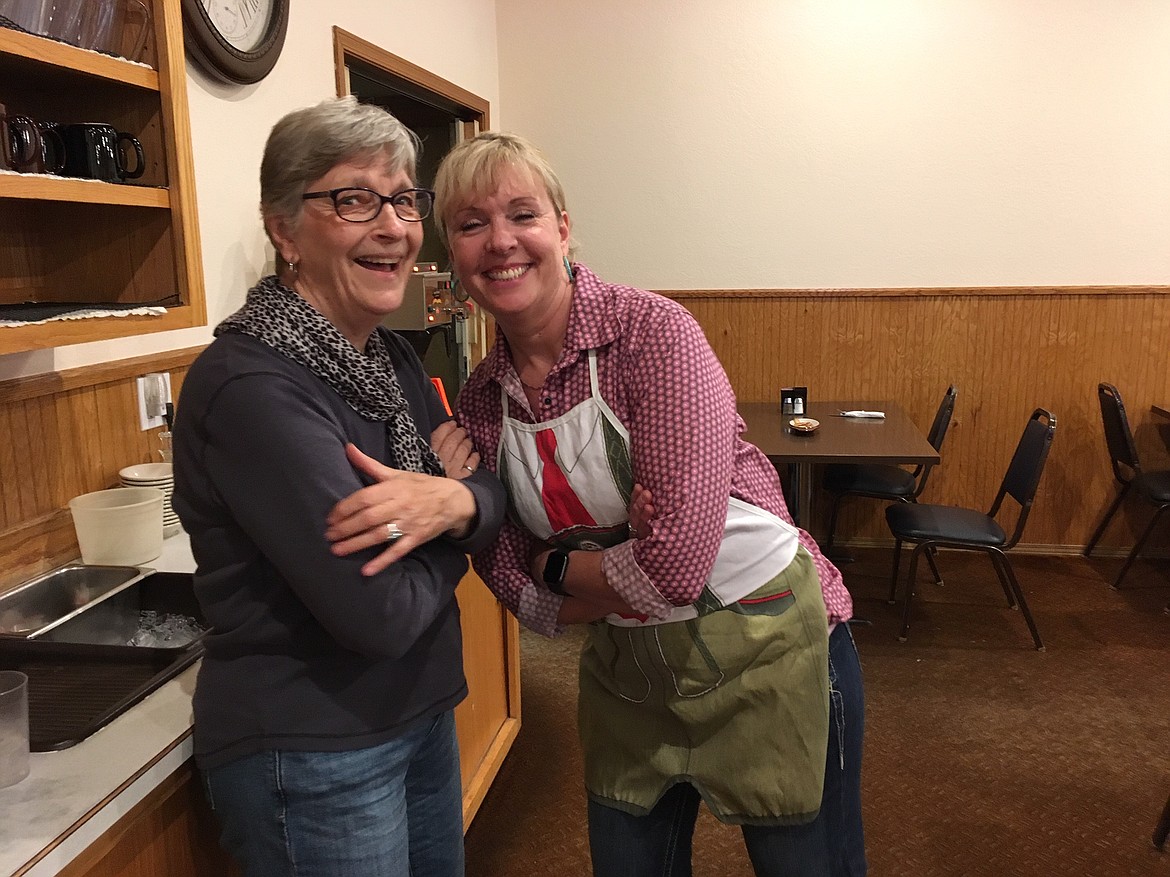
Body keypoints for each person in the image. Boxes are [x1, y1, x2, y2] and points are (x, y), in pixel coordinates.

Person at [328, 131, 866, 876]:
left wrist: (561, 566)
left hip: (770, 647)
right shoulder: (483, 397)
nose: (501, 241)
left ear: (563, 228)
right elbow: (510, 582)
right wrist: (586, 567)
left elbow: (676, 566)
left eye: (522, 214)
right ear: (452, 250)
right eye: (471, 223)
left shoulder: (653, 336)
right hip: (631, 673)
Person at [171, 96, 505, 877]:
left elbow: (491, 492)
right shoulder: (251, 386)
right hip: (313, 749)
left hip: (416, 713)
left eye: (403, 198)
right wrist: (458, 520)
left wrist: (453, 503)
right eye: (354, 199)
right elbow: (378, 613)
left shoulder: (388, 361)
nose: (392, 225)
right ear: (285, 230)